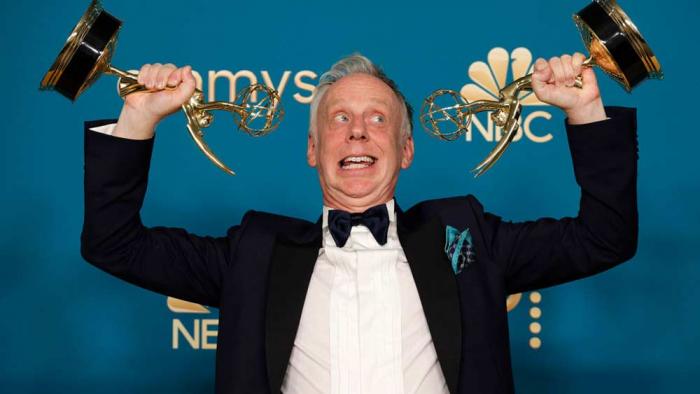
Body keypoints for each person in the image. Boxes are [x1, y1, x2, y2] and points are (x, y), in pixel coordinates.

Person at [81, 53, 638, 394]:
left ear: (406, 149)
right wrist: (139, 117)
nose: (357, 132)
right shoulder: (256, 250)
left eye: (378, 119)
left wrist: (583, 110)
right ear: (312, 147)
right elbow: (114, 243)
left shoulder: (466, 234)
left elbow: (604, 238)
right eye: (339, 118)